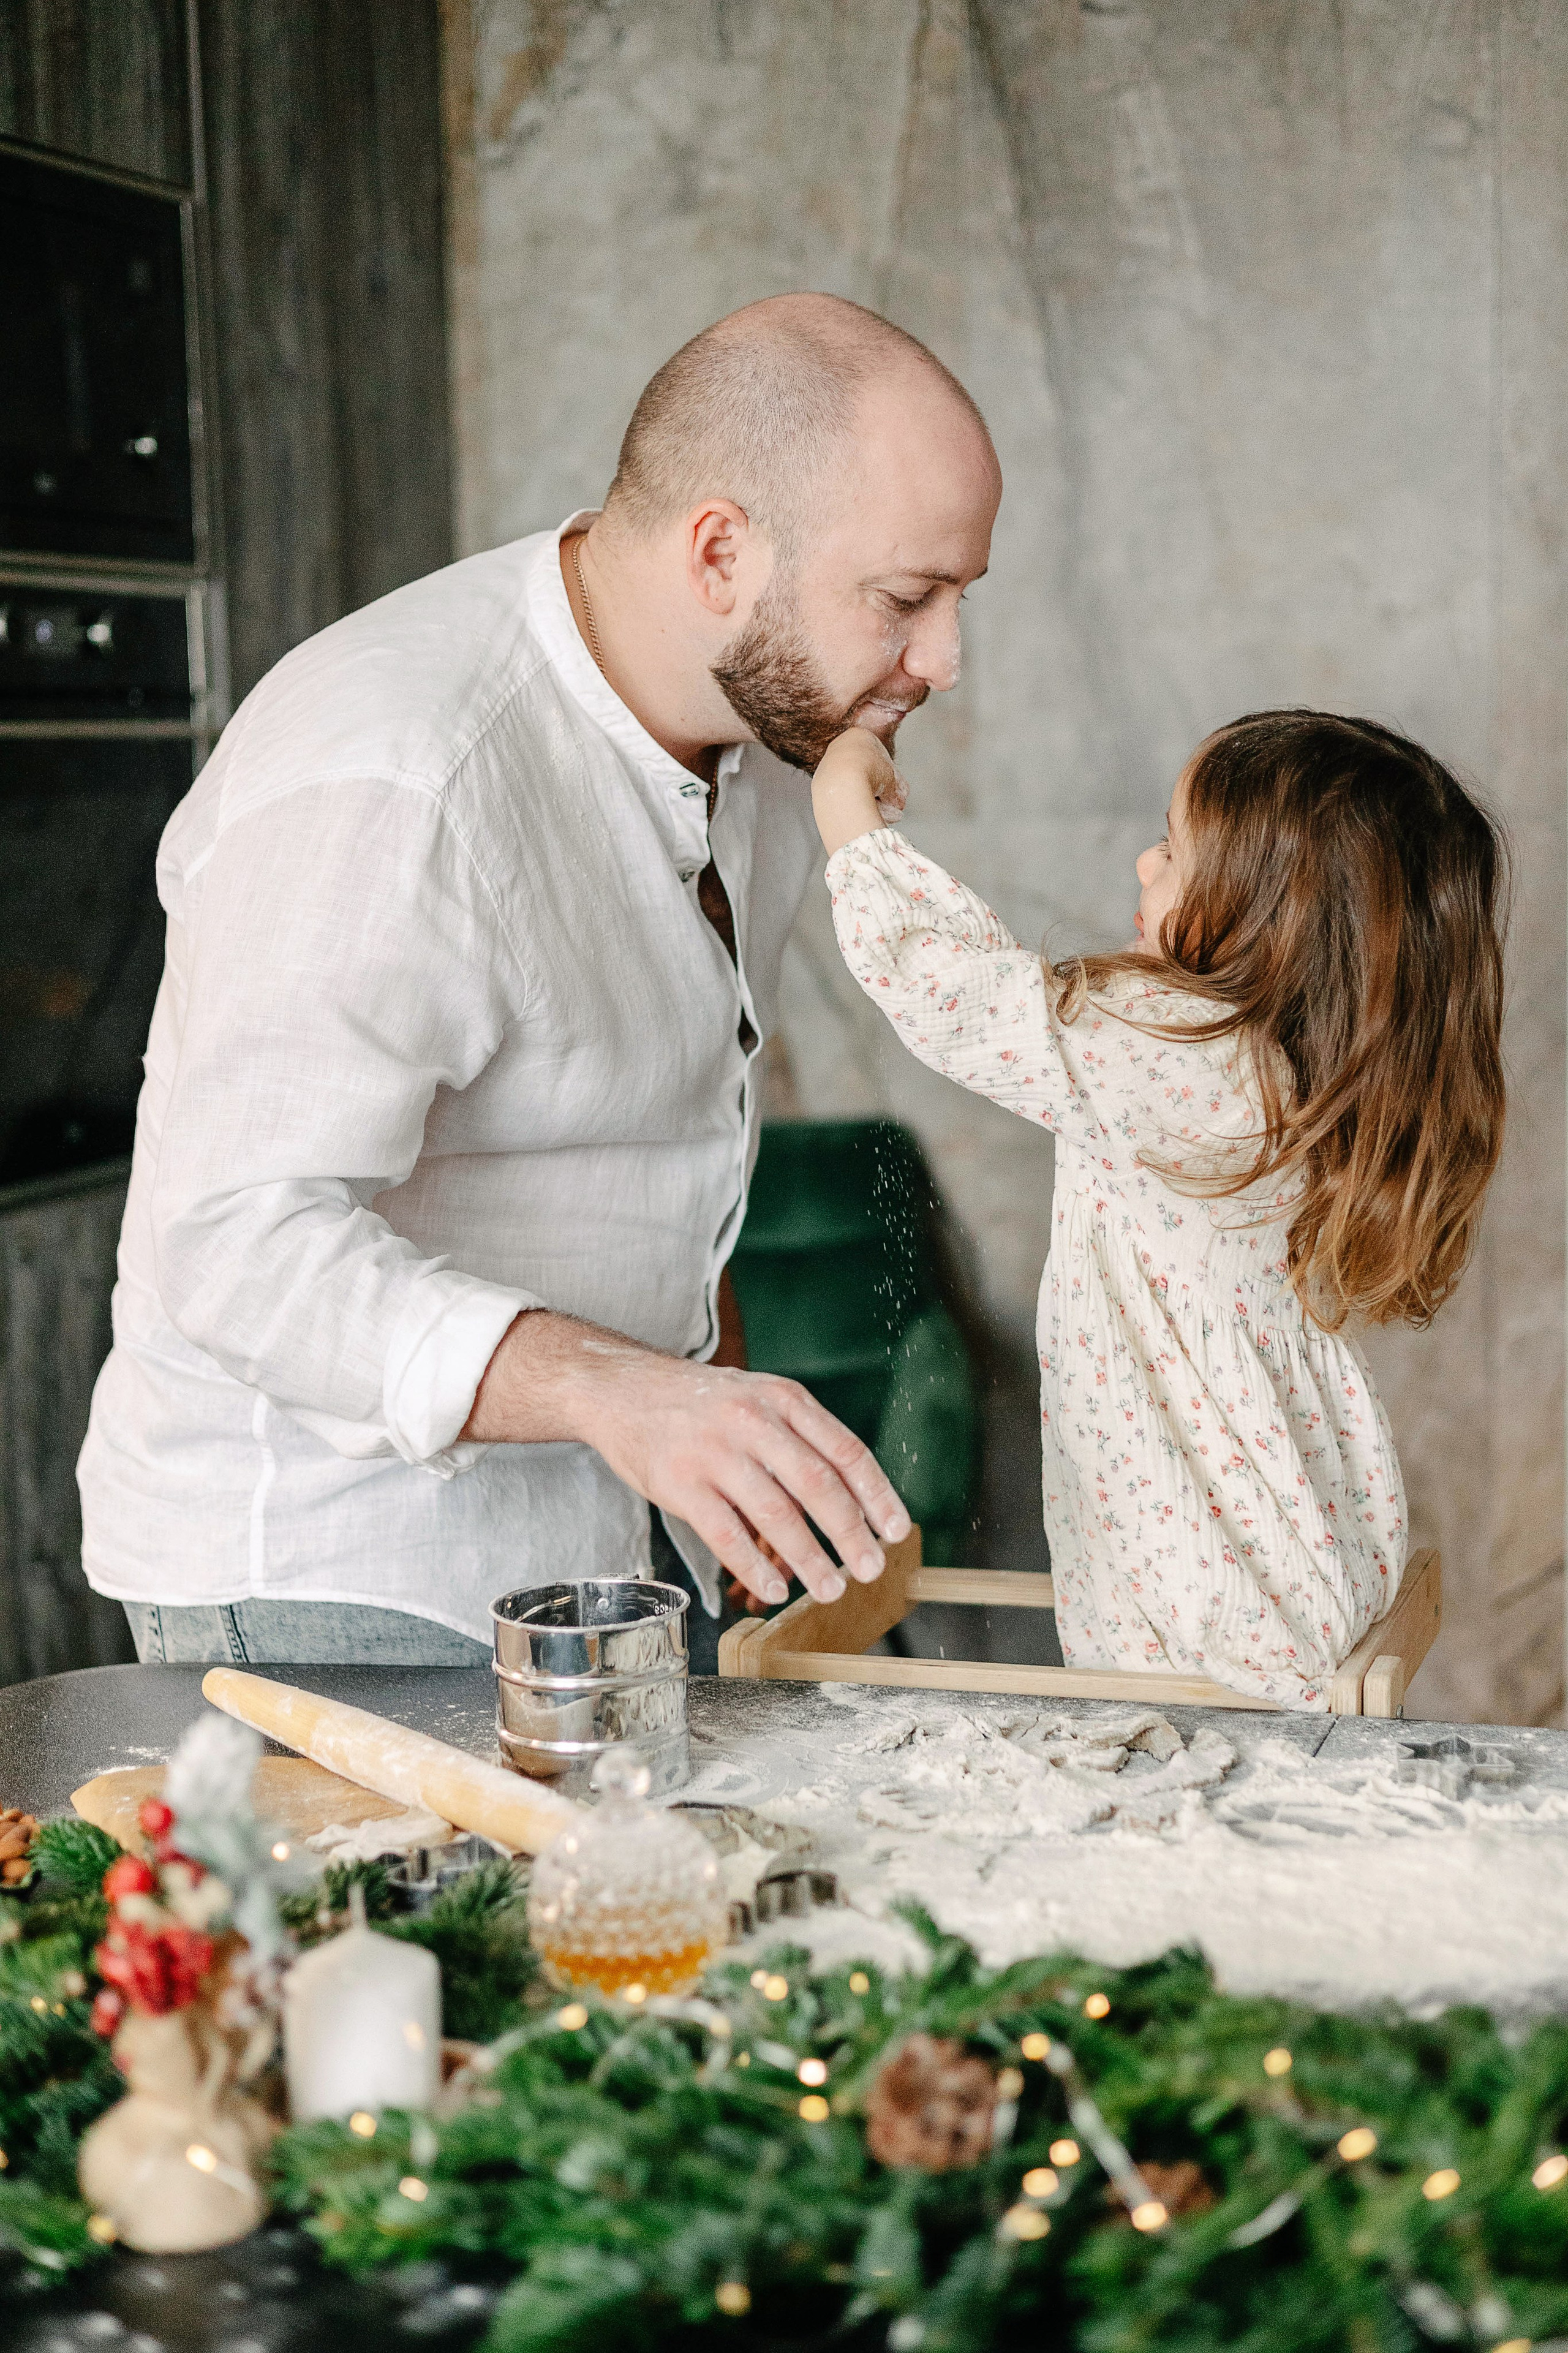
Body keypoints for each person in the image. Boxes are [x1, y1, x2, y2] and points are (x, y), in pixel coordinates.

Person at [79, 294, 1002, 1668]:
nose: (943, 662)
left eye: (957, 600)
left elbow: (664, 1128)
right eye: (903, 601)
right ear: (718, 552)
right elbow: (229, 1245)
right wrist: (620, 1394)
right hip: (332, 1573)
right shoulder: (398, 777)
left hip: (614, 1543)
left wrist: (713, 1416)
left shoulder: (758, 739)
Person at [810, 711, 1507, 1708]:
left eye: (1175, 849)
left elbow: (954, 994)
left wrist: (843, 803)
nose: (1144, 862)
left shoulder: (1183, 1049)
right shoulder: (1306, 1073)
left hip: (1207, 1582)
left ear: (1272, 911)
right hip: (1294, 1550)